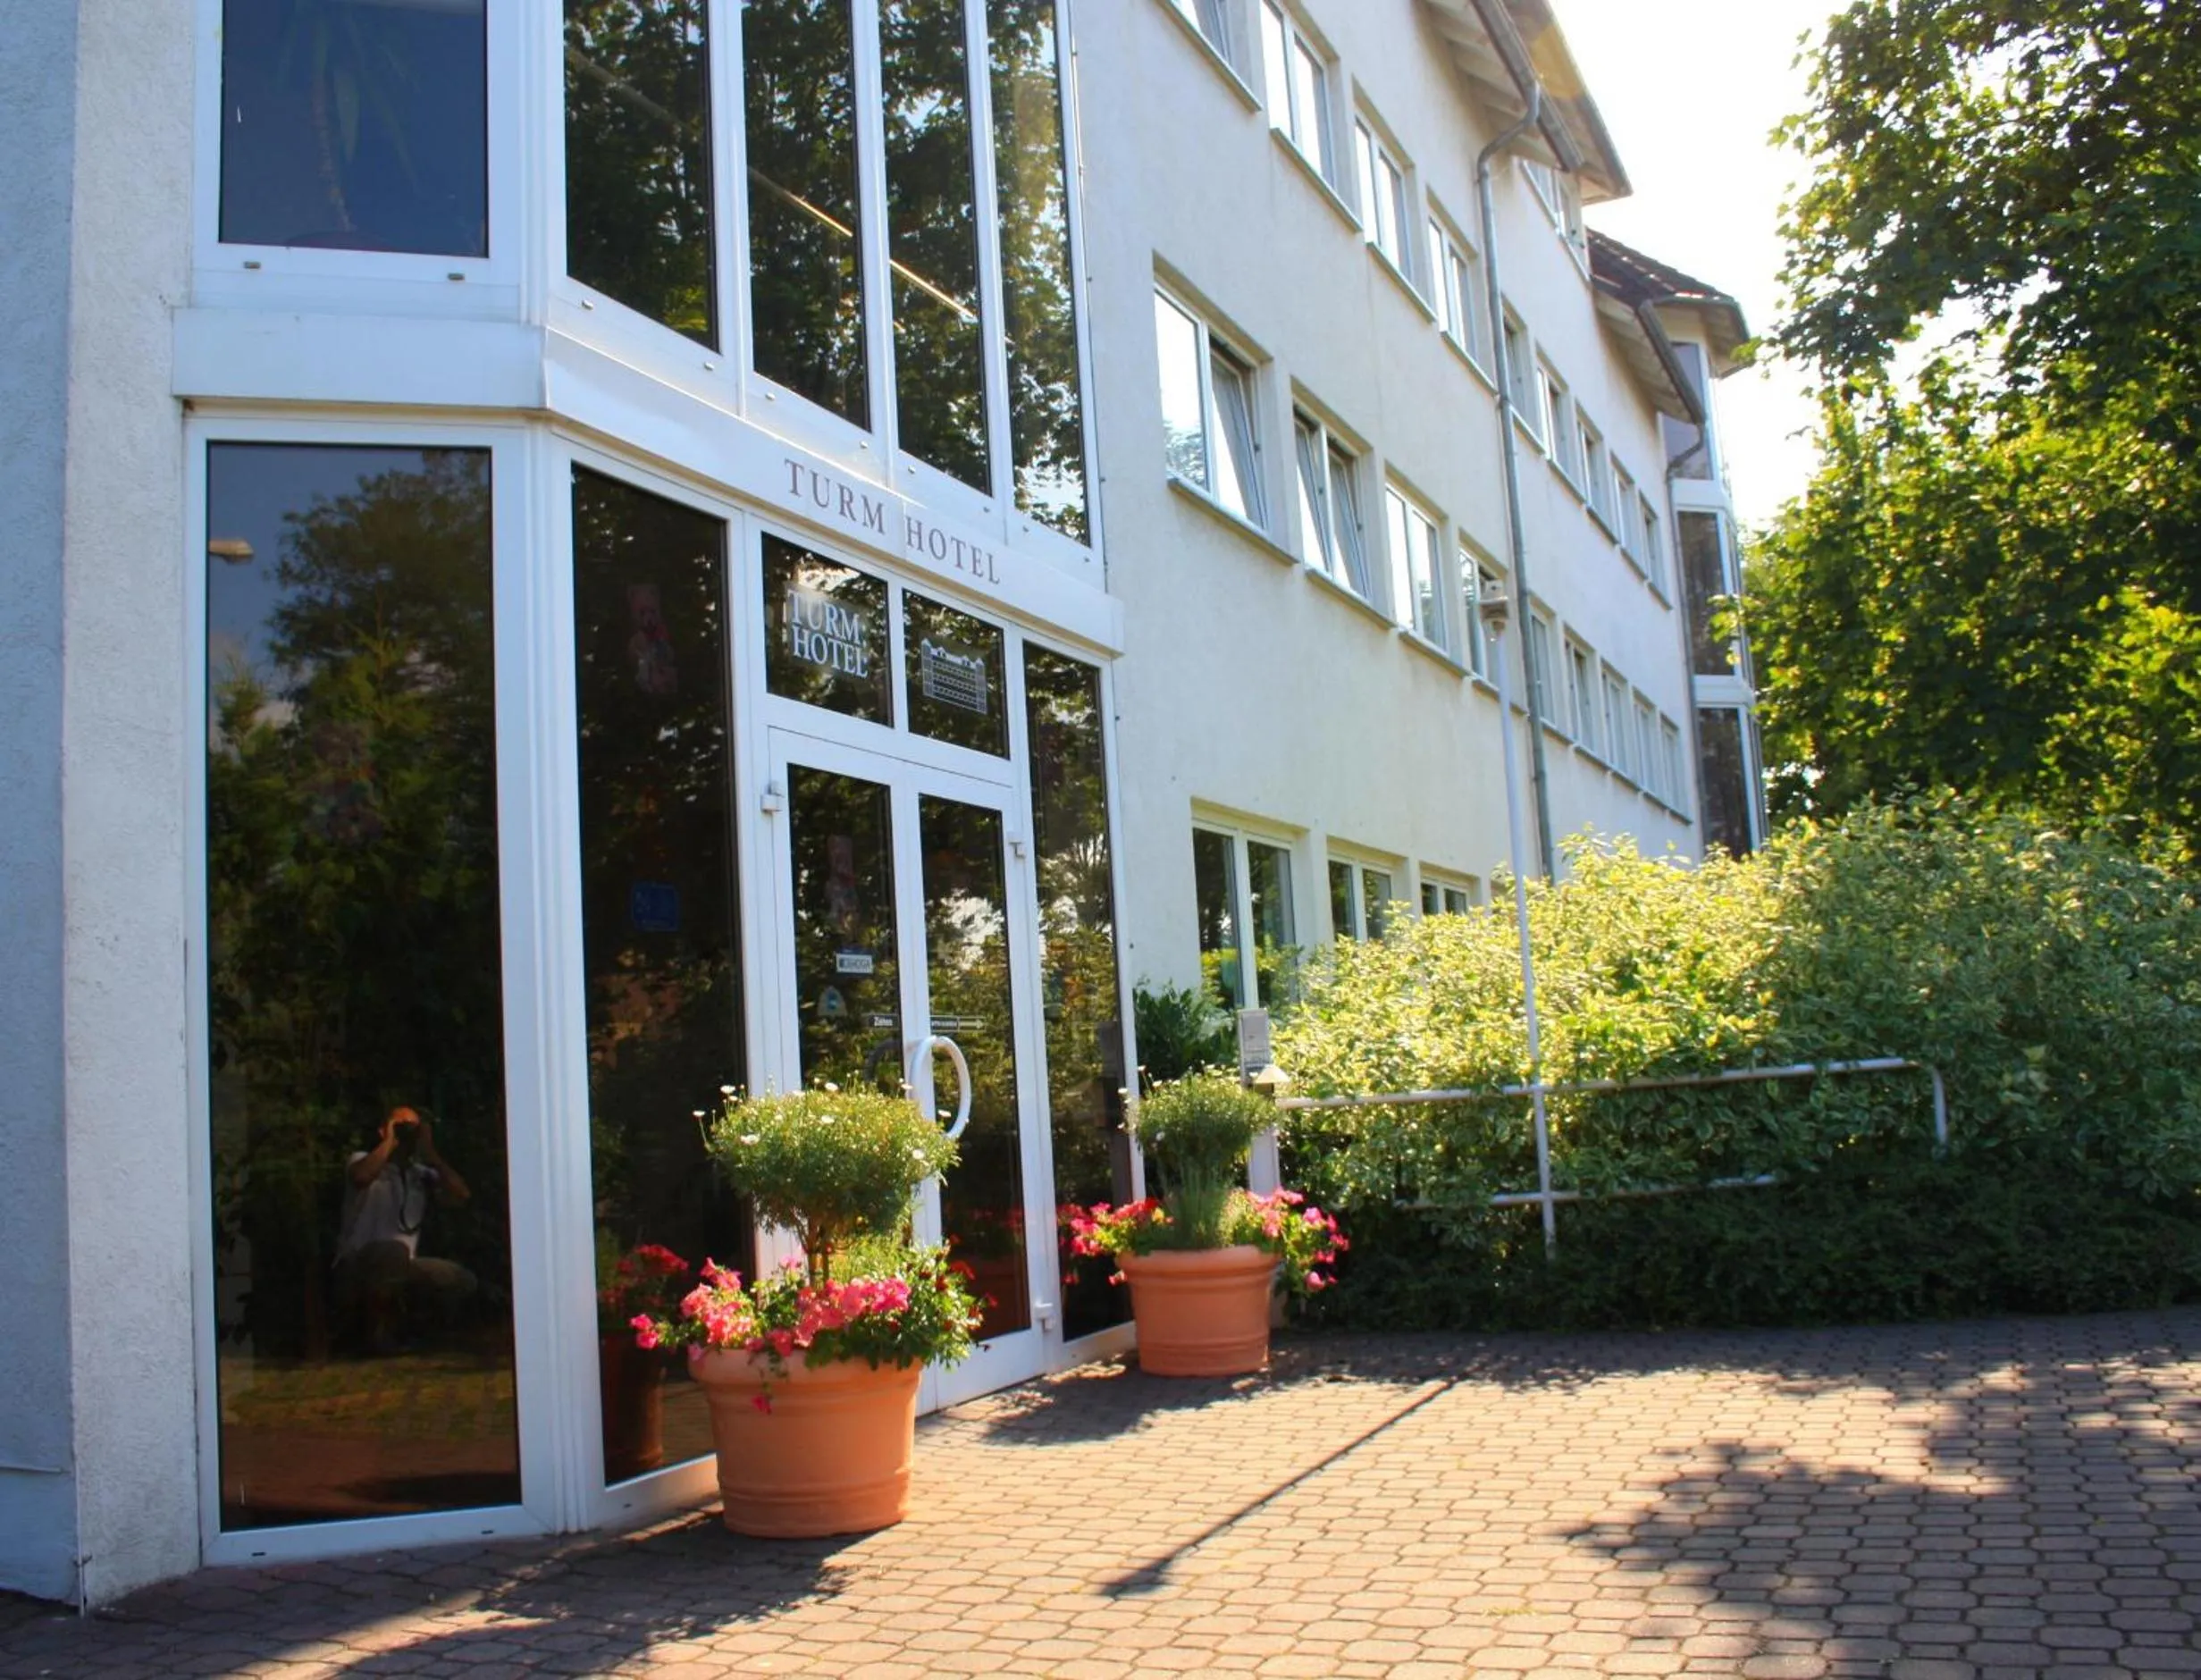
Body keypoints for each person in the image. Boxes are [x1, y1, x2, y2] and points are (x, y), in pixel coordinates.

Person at [333, 1105, 479, 1354]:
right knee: (392, 1250)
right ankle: (375, 1336)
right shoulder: (362, 1160)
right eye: (401, 1125)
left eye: (413, 1126)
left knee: (461, 1280)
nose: (407, 1132)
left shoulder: (420, 1175)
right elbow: (361, 1177)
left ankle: (415, 1332)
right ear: (383, 1130)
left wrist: (431, 1153)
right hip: (357, 1264)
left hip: (403, 1265)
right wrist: (390, 1142)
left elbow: (462, 1195)